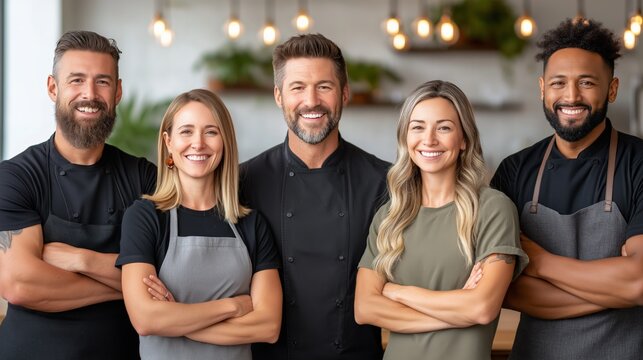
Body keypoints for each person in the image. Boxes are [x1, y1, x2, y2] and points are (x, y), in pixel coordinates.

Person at [491, 18, 643, 360]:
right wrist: (613, 290)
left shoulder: (639, 165)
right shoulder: (513, 172)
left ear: (613, 88)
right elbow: (503, 289)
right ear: (543, 88)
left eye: (587, 82)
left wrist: (538, 260)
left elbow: (638, 281)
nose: (571, 96)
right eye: (559, 83)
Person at [0, 31, 156, 359]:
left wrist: (80, 260)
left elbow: (169, 276)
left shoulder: (143, 177)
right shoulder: (16, 176)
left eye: (102, 82)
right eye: (76, 80)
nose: (90, 94)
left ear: (118, 92)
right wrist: (127, 287)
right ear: (53, 88)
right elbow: (18, 283)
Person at [240, 34, 389, 360]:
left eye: (324, 86)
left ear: (345, 93)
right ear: (279, 96)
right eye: (297, 88)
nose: (311, 101)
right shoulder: (243, 183)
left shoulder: (384, 183)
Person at [354, 80, 527, 360]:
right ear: (405, 138)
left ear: (464, 140)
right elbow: (364, 308)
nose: (429, 139)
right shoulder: (390, 216)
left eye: (444, 127)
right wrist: (456, 313)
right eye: (418, 127)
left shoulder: (493, 209)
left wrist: (397, 292)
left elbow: (482, 307)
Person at [117, 89, 282, 360]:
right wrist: (233, 306)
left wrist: (176, 319)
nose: (198, 143)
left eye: (211, 132)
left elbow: (268, 326)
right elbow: (146, 319)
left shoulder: (251, 224)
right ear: (168, 142)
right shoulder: (145, 217)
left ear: (225, 141)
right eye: (186, 132)